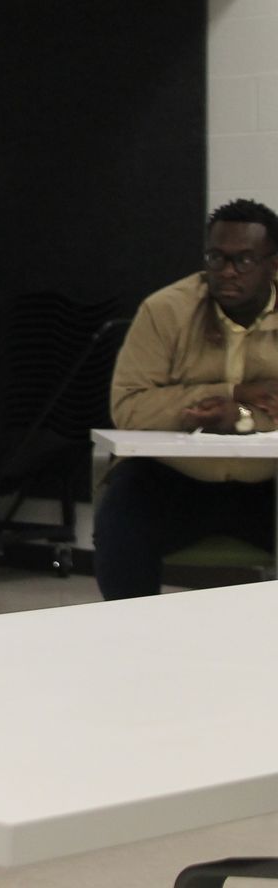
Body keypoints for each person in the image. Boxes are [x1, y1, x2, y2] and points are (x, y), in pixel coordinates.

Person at [95, 198, 278, 600]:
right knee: (119, 530)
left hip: (269, 480)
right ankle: (135, 647)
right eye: (217, 258)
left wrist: (241, 417)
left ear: (273, 264)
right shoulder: (165, 311)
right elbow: (129, 407)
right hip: (173, 477)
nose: (227, 272)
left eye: (245, 261)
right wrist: (228, 393)